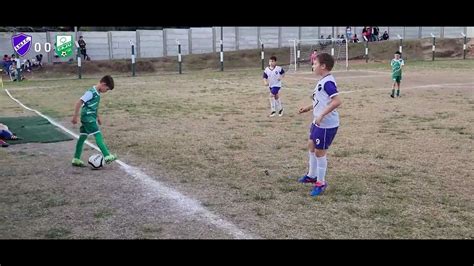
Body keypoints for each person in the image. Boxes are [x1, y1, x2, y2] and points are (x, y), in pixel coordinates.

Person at [297, 53, 342, 197]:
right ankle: (312, 175)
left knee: (319, 152)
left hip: (326, 124)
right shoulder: (322, 81)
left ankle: (321, 182)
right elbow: (320, 101)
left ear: (323, 66)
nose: (313, 66)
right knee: (311, 145)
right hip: (317, 122)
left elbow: (337, 101)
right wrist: (309, 108)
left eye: (315, 64)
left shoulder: (328, 82)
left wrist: (322, 115)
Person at [71, 75, 118, 166]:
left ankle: (76, 159)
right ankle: (107, 155)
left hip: (89, 117)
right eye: (107, 89)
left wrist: (98, 117)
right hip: (88, 117)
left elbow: (94, 106)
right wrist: (75, 116)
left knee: (82, 137)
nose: (106, 91)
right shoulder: (91, 92)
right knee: (97, 134)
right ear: (103, 84)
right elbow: (79, 102)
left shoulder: (97, 93)